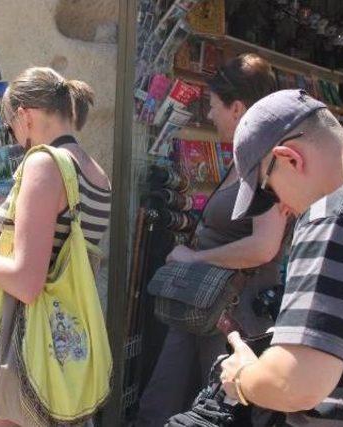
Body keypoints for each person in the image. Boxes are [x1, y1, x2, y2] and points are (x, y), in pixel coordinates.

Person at [0, 66, 112, 427]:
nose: (13, 137)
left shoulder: (43, 163)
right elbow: (45, 229)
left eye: (9, 124)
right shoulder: (93, 172)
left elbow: (26, 282)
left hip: (12, 337)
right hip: (56, 342)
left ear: (25, 115)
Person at [137, 54, 289, 426]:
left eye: (214, 106)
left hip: (231, 310)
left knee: (217, 410)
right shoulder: (247, 159)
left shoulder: (265, 161)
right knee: (169, 399)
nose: (210, 115)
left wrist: (194, 258)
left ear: (237, 108)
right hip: (206, 303)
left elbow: (264, 246)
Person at [220, 89, 343, 425]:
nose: (281, 207)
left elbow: (294, 383)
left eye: (267, 191)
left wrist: (241, 376)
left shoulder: (332, 216)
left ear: (291, 158)